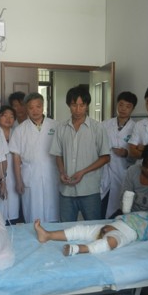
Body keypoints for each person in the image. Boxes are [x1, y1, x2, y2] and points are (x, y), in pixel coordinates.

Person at [50, 85, 111, 222]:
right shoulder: (61, 128)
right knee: (65, 228)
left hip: (89, 189)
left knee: (93, 227)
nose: (78, 109)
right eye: (74, 105)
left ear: (87, 105)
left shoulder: (97, 128)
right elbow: (58, 155)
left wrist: (83, 172)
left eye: (82, 105)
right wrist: (61, 172)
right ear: (68, 105)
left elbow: (106, 157)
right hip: (66, 190)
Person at [34, 204, 148, 256]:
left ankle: (79, 249)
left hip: (124, 233)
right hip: (112, 225)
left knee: (110, 242)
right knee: (80, 230)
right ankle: (47, 235)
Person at [10, 92, 60, 223]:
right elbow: (16, 157)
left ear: (43, 106)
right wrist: (18, 181)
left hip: (52, 175)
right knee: (33, 214)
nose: (35, 111)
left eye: (38, 106)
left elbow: (62, 153)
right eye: (31, 107)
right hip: (30, 177)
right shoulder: (20, 130)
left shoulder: (56, 126)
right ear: (26, 109)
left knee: (53, 214)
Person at [100, 91, 138, 218]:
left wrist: (126, 153)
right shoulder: (105, 124)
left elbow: (138, 154)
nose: (123, 109)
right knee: (102, 203)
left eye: (128, 106)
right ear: (117, 105)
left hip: (123, 171)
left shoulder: (135, 127)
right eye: (121, 105)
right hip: (105, 170)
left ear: (132, 109)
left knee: (119, 205)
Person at [0, 105, 20, 224]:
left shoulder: (17, 133)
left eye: (11, 116)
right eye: (4, 115)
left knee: (13, 203)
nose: (8, 119)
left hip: (14, 172)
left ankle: (12, 224)